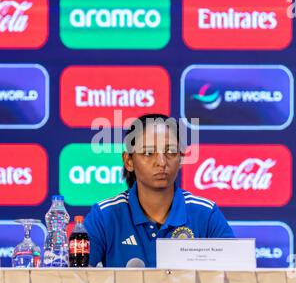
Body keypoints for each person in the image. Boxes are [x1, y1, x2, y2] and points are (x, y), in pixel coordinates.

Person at [84, 113, 235, 267]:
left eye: (171, 152)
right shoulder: (104, 216)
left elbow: (237, 275)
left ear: (181, 158)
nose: (162, 162)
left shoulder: (205, 214)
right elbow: (74, 277)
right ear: (129, 161)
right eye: (148, 153)